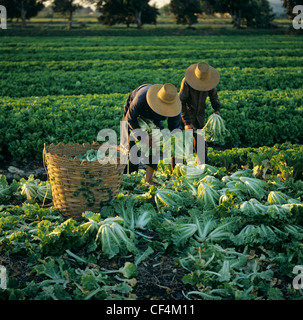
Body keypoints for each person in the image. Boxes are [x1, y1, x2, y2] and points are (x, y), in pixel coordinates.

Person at [122, 83, 182, 186]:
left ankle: (148, 179)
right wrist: (143, 136)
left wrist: (176, 166)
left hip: (153, 120)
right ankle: (129, 179)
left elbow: (175, 131)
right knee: (132, 148)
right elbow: (130, 119)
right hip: (135, 118)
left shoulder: (174, 108)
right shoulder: (141, 98)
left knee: (155, 145)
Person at [179, 62, 221, 164]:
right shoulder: (186, 82)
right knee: (181, 144)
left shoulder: (210, 82)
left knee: (201, 143)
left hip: (200, 115)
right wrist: (187, 122)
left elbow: (214, 97)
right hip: (186, 114)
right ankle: (176, 169)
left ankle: (202, 167)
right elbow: (181, 102)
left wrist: (217, 110)